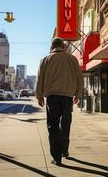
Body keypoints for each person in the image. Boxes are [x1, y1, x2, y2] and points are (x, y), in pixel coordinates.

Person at [36, 37, 83, 166]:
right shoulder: (72, 59)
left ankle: (56, 157)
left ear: (51, 47)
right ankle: (65, 150)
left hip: (52, 97)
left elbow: (40, 79)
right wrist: (78, 94)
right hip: (67, 97)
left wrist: (39, 96)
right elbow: (80, 78)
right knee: (66, 124)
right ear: (63, 46)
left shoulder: (45, 60)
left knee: (53, 126)